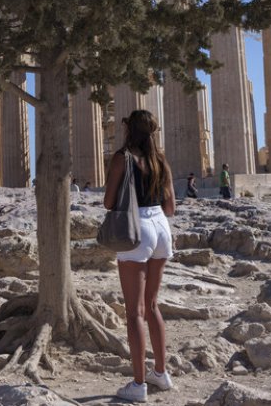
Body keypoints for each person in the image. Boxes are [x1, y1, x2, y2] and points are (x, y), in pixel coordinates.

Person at [104, 110, 177, 403]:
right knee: (152, 304)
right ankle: (160, 373)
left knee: (133, 311)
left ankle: (138, 385)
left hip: (137, 229)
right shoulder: (161, 161)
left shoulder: (123, 157)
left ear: (128, 129)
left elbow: (109, 201)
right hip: (161, 226)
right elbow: (171, 206)